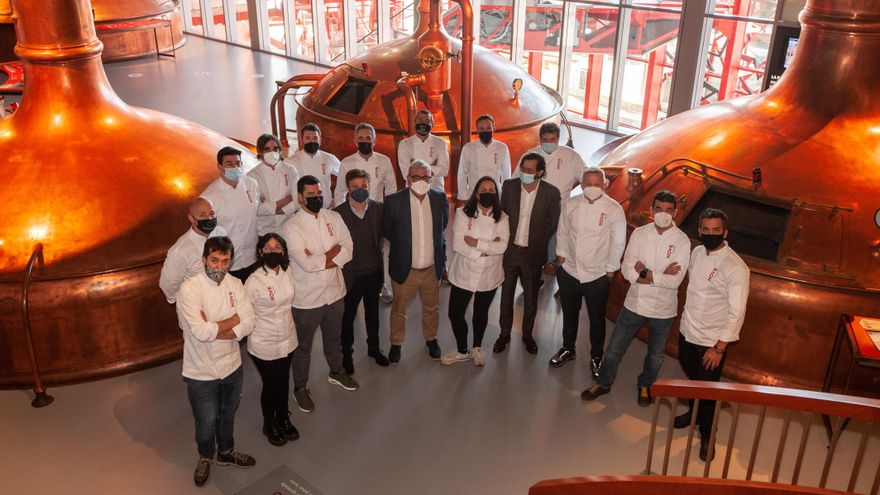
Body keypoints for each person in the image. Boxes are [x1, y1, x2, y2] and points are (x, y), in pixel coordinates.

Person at [581, 190, 691, 406]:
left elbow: (674, 282)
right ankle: (604, 383)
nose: (663, 214)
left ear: (675, 213)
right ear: (651, 211)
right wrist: (655, 275)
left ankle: (646, 385)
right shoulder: (640, 233)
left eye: (669, 210)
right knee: (614, 349)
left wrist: (644, 273)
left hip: (663, 310)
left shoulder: (682, 241)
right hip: (634, 304)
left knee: (655, 356)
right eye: (658, 209)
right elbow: (627, 270)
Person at [175, 236, 256, 487]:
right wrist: (233, 321)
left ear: (231, 262)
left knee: (228, 412)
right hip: (201, 370)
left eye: (225, 261)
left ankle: (226, 452)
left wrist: (217, 328)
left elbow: (249, 322)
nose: (219, 267)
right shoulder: (189, 290)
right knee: (206, 418)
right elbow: (200, 333)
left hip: (232, 365)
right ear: (203, 260)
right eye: (214, 260)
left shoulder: (235, 284)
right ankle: (205, 456)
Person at [674, 208, 749, 462]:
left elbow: (736, 312)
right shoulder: (696, 252)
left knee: (708, 393)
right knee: (694, 381)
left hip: (710, 343)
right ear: (699, 231)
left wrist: (719, 348)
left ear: (725, 233)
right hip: (688, 333)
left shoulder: (735, 267)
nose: (709, 234)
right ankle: (692, 415)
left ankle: (708, 435)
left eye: (715, 230)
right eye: (705, 230)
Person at [282, 175, 358, 414]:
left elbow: (348, 249)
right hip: (307, 298)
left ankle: (336, 371)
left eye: (318, 194)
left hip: (335, 292)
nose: (316, 198)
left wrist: (324, 257)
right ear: (300, 197)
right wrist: (332, 255)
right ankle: (300, 388)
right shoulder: (291, 227)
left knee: (333, 338)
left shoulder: (333, 217)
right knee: (303, 346)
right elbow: (305, 264)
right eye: (311, 195)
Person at [551, 168, 626, 379]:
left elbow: (618, 242)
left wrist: (610, 270)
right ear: (581, 185)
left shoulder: (613, 209)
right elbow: (563, 231)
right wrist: (561, 256)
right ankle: (568, 348)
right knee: (569, 313)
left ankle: (596, 356)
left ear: (604, 185)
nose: (592, 187)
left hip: (597, 275)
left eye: (596, 183)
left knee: (596, 319)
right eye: (588, 184)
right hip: (570, 272)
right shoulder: (571, 204)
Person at [493, 153, 560, 355]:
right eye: (523, 169)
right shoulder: (510, 186)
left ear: (540, 173)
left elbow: (553, 223)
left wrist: (538, 242)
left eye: (530, 171)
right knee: (505, 295)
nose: (525, 173)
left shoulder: (551, 193)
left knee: (531, 297)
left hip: (533, 253)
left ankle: (527, 335)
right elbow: (501, 214)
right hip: (510, 251)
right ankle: (504, 334)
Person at [383, 160, 449, 363]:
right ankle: (396, 343)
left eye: (425, 177)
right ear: (408, 179)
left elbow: (442, 227)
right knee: (399, 309)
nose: (421, 180)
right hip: (405, 268)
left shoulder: (439, 198)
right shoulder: (394, 200)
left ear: (431, 178)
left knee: (431, 308)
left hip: (431, 268)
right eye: (416, 177)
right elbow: (388, 231)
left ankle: (431, 339)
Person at [442, 176, 509, 367]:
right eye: (483, 190)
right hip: (464, 271)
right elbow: (458, 245)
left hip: (490, 274)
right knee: (455, 313)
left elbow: (502, 247)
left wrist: (476, 243)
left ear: (496, 194)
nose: (487, 193)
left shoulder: (503, 217)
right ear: (476, 193)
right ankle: (462, 350)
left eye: (491, 190)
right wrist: (486, 250)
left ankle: (477, 347)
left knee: (481, 312)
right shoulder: (463, 213)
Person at [245, 233, 300, 447]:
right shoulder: (254, 280)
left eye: (277, 247)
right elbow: (246, 313)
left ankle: (283, 418)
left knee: (284, 379)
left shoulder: (288, 272)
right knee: (271, 383)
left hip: (287, 336)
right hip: (264, 340)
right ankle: (269, 423)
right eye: (267, 247)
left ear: (283, 251)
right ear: (260, 252)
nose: (272, 251)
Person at [334, 168, 390, 373]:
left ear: (369, 186)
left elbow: (387, 235)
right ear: (348, 188)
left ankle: (374, 348)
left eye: (364, 186)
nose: (360, 190)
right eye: (355, 187)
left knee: (373, 315)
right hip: (351, 276)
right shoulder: (337, 214)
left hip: (374, 272)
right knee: (347, 318)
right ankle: (346, 354)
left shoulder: (378, 209)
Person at [514, 122, 587, 272]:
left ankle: (551, 262)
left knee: (556, 235)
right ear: (540, 139)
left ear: (558, 139)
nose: (549, 143)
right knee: (533, 236)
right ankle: (533, 267)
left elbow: (586, 176)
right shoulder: (530, 155)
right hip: (533, 205)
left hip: (560, 205)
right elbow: (516, 179)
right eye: (545, 140)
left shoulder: (571, 155)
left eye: (552, 139)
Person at [200, 146, 266, 282]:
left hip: (252, 257)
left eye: (238, 163)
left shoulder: (251, 184)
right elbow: (205, 233)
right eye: (229, 164)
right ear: (220, 167)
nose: (235, 167)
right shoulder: (210, 196)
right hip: (227, 263)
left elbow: (256, 214)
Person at [159, 197, 226, 304]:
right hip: (197, 304)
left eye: (212, 214)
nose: (209, 219)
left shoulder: (222, 234)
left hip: (222, 297)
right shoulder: (181, 250)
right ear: (191, 218)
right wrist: (186, 302)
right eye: (202, 215)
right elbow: (168, 283)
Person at [333, 123, 397, 206]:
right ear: (355, 142)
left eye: (368, 138)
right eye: (360, 138)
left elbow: (391, 188)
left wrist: (389, 209)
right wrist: (341, 213)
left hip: (377, 210)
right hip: (354, 211)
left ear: (374, 141)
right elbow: (340, 192)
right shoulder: (346, 163)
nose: (364, 141)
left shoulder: (384, 161)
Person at [247, 133, 300, 235]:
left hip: (290, 225)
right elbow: (258, 209)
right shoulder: (252, 176)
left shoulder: (290, 170)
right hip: (265, 230)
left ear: (280, 150)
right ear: (260, 152)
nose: (272, 152)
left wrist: (277, 210)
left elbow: (298, 199)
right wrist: (287, 199)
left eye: (275, 149)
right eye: (267, 149)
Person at [456, 114, 511, 203]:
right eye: (481, 129)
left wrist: (505, 197)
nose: (485, 131)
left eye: (488, 128)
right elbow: (462, 174)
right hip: (474, 195)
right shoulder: (468, 148)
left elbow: (506, 175)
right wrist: (464, 197)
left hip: (495, 195)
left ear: (493, 128)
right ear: (477, 130)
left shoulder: (502, 147)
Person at [284, 123, 340, 209]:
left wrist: (337, 199)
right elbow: (285, 188)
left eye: (315, 138)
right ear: (302, 139)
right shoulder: (291, 162)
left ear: (320, 140)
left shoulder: (329, 158)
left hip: (326, 208)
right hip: (302, 210)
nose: (312, 141)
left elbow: (346, 176)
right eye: (308, 138)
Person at [397, 109, 449, 192]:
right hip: (413, 190)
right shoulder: (405, 144)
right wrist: (433, 167)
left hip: (436, 190)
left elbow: (444, 170)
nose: (423, 123)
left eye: (427, 121)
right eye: (420, 120)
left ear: (432, 125)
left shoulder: (440, 143)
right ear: (415, 123)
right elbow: (405, 173)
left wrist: (415, 167)